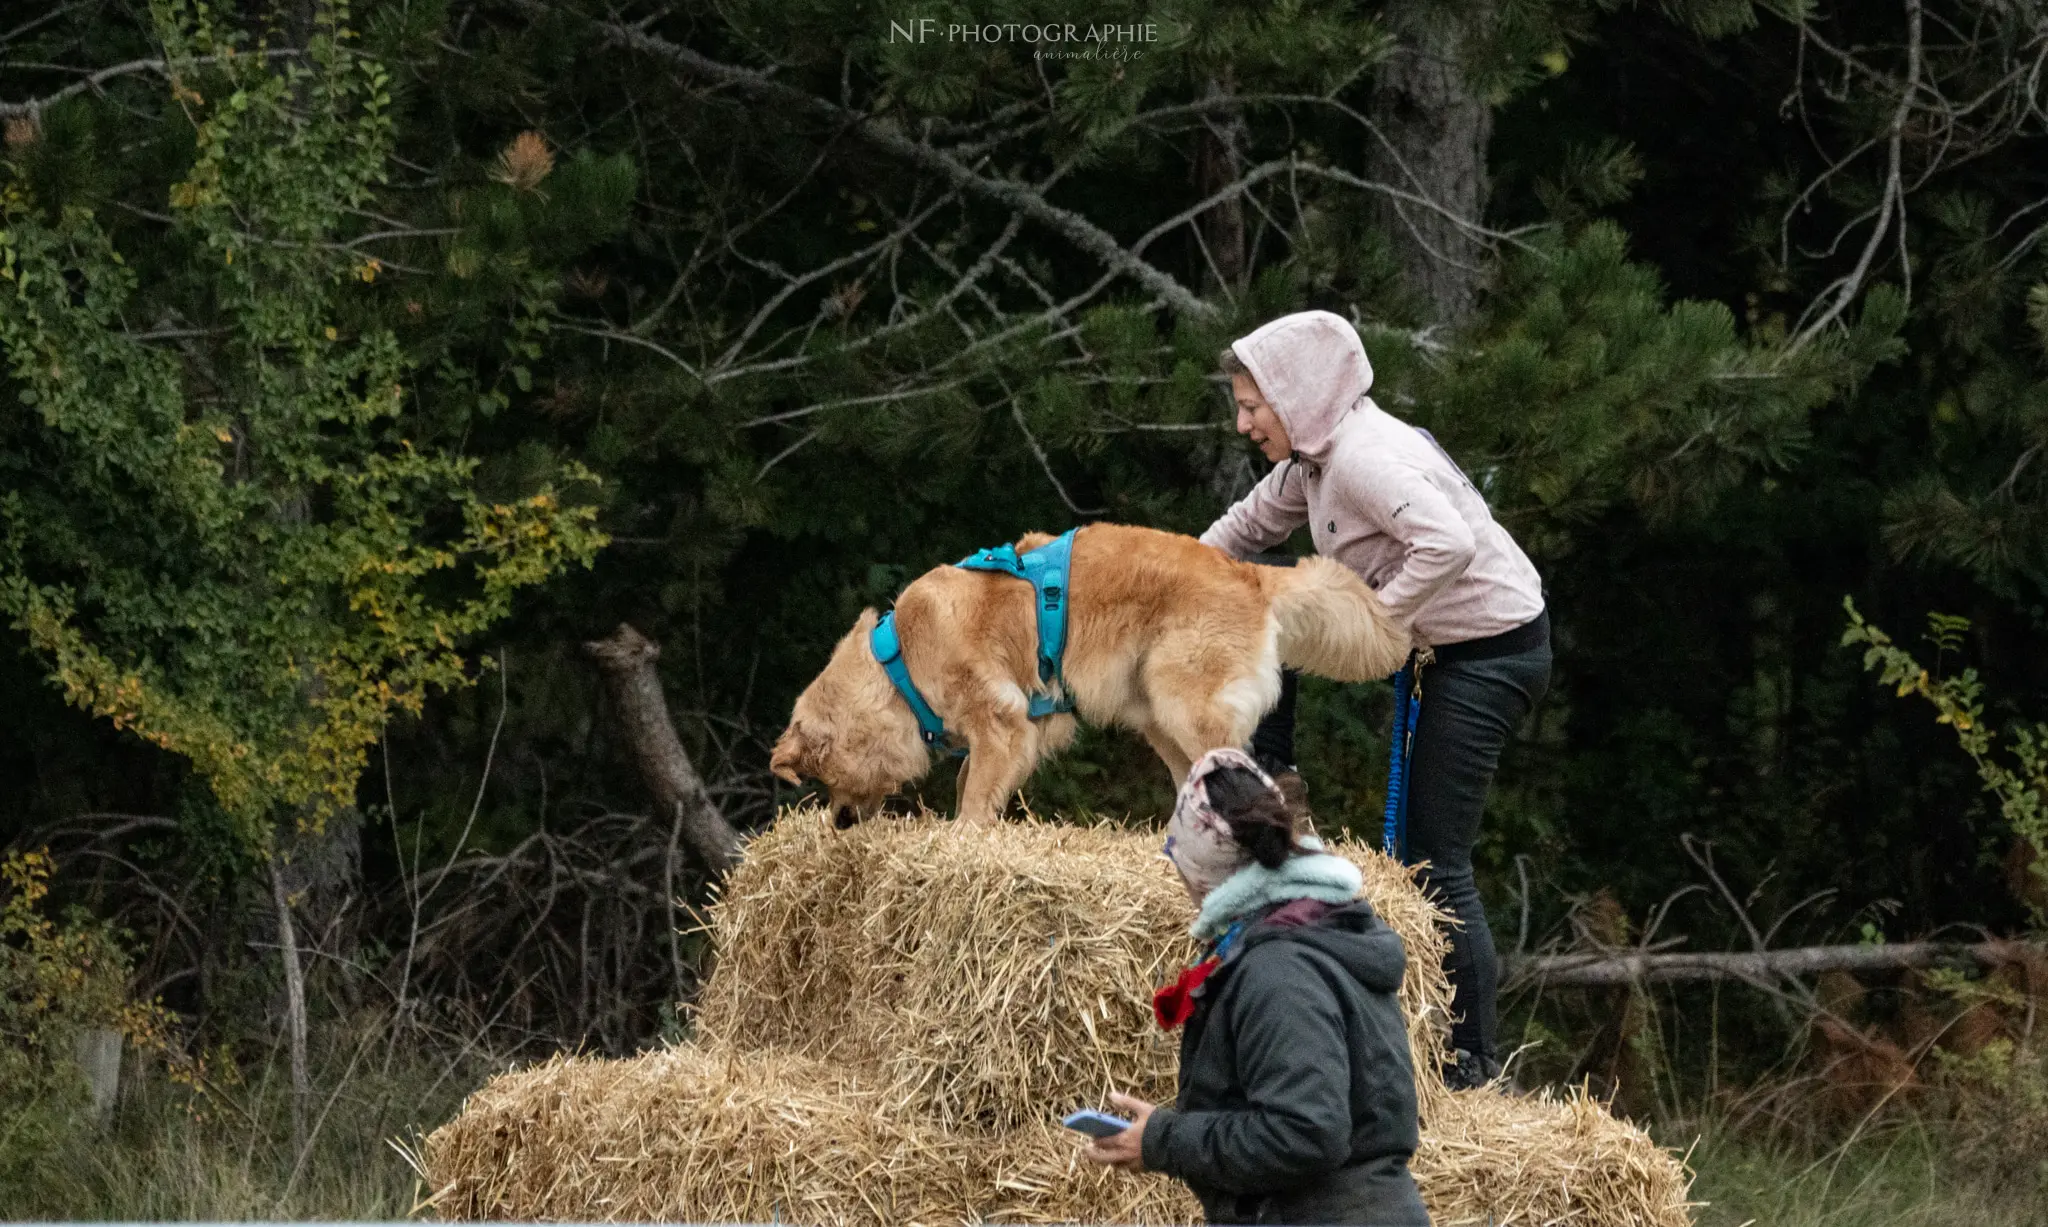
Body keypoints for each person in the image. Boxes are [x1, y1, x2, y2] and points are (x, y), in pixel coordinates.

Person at [1200, 310, 1551, 1091]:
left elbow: (1450, 543)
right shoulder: (1312, 462)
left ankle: (1473, 1071)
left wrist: (1380, 621)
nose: (1242, 421)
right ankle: (1269, 766)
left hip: (1493, 651)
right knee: (1274, 597)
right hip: (1449, 648)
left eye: (1253, 404)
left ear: (1296, 396)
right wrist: (1163, 578)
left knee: (1434, 859)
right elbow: (1241, 530)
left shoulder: (1362, 459)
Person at [1081, 748, 1431, 1226]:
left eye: (1174, 854)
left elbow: (1307, 1132)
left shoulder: (1279, 971)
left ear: (1203, 872)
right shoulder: (1308, 936)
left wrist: (1163, 1140)